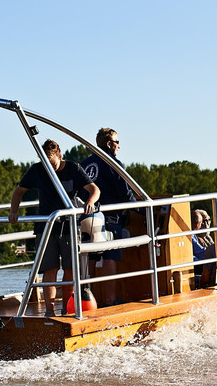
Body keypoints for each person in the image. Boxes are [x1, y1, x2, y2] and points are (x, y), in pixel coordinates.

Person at [9, 139, 100, 316]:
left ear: (59, 156)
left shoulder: (73, 168)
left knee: (70, 268)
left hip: (69, 225)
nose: (49, 169)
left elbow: (94, 189)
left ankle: (67, 309)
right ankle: (49, 311)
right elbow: (19, 191)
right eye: (46, 164)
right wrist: (13, 211)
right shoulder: (37, 169)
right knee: (49, 269)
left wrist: (90, 201)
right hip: (46, 225)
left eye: (52, 164)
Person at [79, 127, 135, 306]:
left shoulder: (86, 164)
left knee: (92, 257)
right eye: (117, 142)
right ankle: (110, 300)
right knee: (111, 255)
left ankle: (91, 299)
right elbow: (125, 194)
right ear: (110, 144)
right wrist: (142, 209)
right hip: (109, 218)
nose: (119, 146)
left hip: (87, 217)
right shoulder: (112, 163)